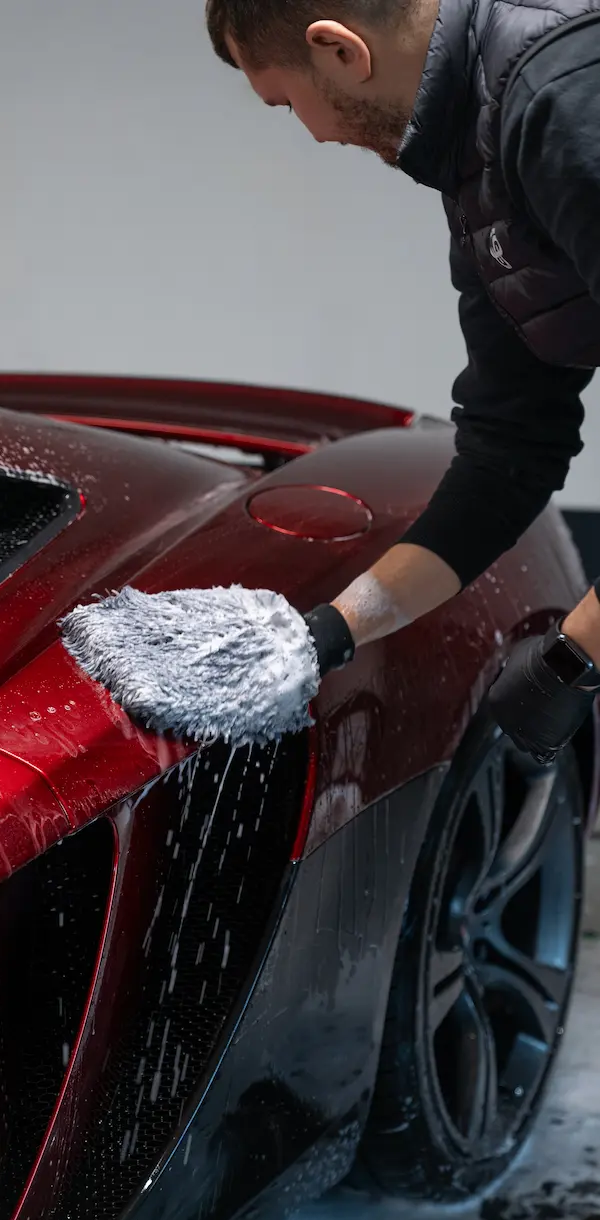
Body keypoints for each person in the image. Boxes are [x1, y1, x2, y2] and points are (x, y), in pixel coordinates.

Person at [205, 0, 600, 764]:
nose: (316, 134)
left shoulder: (565, 93)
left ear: (338, 50)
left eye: (288, 104)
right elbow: (508, 454)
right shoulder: (481, 168)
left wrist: (573, 658)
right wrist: (332, 630)